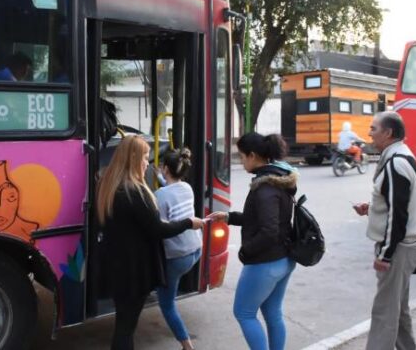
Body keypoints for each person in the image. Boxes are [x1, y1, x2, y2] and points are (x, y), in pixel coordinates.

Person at [96, 135, 203, 350]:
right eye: (145, 157)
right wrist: (189, 223)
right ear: (133, 159)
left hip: (116, 266)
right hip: (134, 271)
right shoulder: (134, 192)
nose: (148, 162)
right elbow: (158, 229)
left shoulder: (108, 185)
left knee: (123, 323)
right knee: (126, 328)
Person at [208, 132, 296, 350]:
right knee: (273, 312)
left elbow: (268, 230)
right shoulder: (279, 179)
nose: (241, 160)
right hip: (284, 258)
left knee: (244, 313)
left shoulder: (265, 188)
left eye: (242, 156)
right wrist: (229, 217)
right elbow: (261, 218)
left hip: (266, 262)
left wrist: (245, 252)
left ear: (253, 155)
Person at [353, 111, 416, 350]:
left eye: (373, 128)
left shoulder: (396, 162)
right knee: (397, 308)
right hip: (404, 246)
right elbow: (395, 203)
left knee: (384, 311)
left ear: (388, 132)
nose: (369, 133)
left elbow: (399, 214)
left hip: (398, 249)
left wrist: (386, 254)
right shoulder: (400, 155)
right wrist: (372, 208)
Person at [154, 148, 201, 350]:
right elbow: (171, 192)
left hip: (176, 257)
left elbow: (159, 225)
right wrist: (161, 178)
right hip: (194, 250)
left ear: (165, 168)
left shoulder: (159, 195)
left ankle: (187, 346)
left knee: (167, 305)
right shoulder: (187, 188)